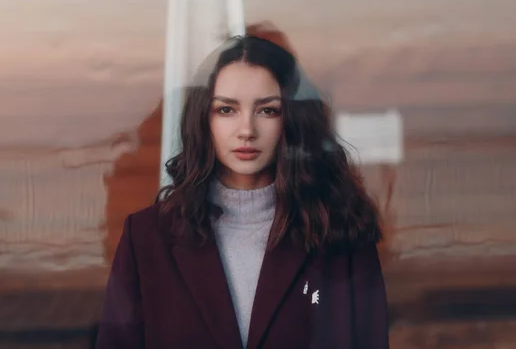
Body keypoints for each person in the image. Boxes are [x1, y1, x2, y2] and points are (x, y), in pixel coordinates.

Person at [96, 29, 389, 349]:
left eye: (267, 110)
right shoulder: (146, 238)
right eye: (227, 109)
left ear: (290, 118)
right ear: (203, 119)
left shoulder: (341, 233)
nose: (246, 130)